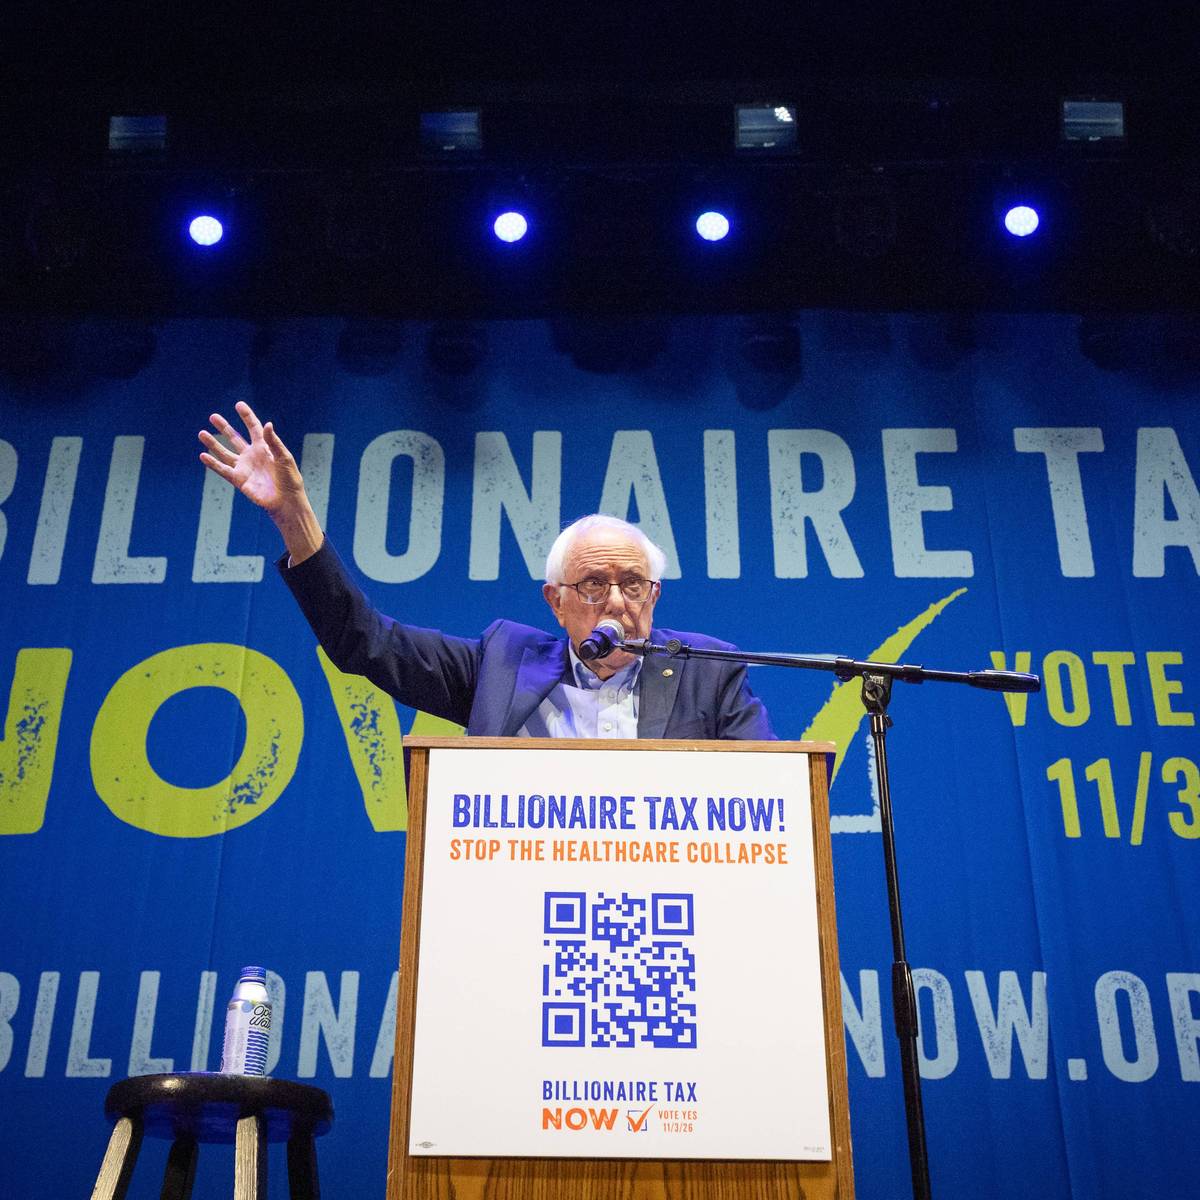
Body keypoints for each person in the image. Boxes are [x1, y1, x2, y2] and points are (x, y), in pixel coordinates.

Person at [199, 401, 775, 740]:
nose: (618, 603)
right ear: (556, 601)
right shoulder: (502, 664)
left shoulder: (708, 671)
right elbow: (364, 643)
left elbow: (773, 801)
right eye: (595, 586)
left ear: (654, 593)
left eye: (633, 585)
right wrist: (294, 517)